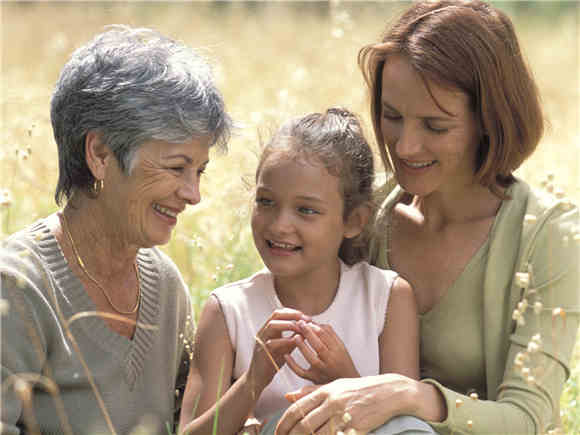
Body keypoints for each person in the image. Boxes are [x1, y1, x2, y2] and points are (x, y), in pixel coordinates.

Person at [274, 1, 580, 434]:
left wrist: (409, 395)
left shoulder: (549, 236)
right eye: (391, 117)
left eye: (435, 127)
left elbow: (529, 420)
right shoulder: (361, 213)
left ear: (490, 122)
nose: (404, 147)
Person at [0, 25, 232, 435]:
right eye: (177, 167)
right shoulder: (16, 288)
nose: (194, 194)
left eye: (200, 171)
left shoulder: (166, 286)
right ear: (100, 154)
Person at [178, 107, 428, 435]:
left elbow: (402, 422)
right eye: (266, 202)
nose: (280, 225)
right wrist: (254, 380)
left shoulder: (387, 297)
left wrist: (345, 380)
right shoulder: (229, 310)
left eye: (306, 210)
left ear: (353, 221)